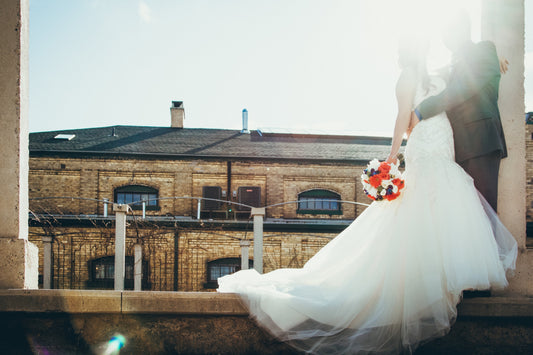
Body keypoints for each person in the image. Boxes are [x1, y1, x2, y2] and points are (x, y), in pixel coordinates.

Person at [217, 36, 517, 354]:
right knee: (436, 201)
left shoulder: (415, 76)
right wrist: (393, 159)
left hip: (435, 143)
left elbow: (403, 118)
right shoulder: (434, 75)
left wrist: (390, 157)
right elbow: (421, 106)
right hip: (437, 140)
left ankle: (437, 282)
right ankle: (439, 281)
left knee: (434, 199)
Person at [411, 11, 507, 212]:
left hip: (481, 142)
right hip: (460, 145)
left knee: (484, 211)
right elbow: (440, 75)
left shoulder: (485, 50)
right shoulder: (456, 62)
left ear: (462, 30)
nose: (445, 39)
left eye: (448, 33)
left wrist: (422, 110)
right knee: (467, 215)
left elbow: (461, 89)